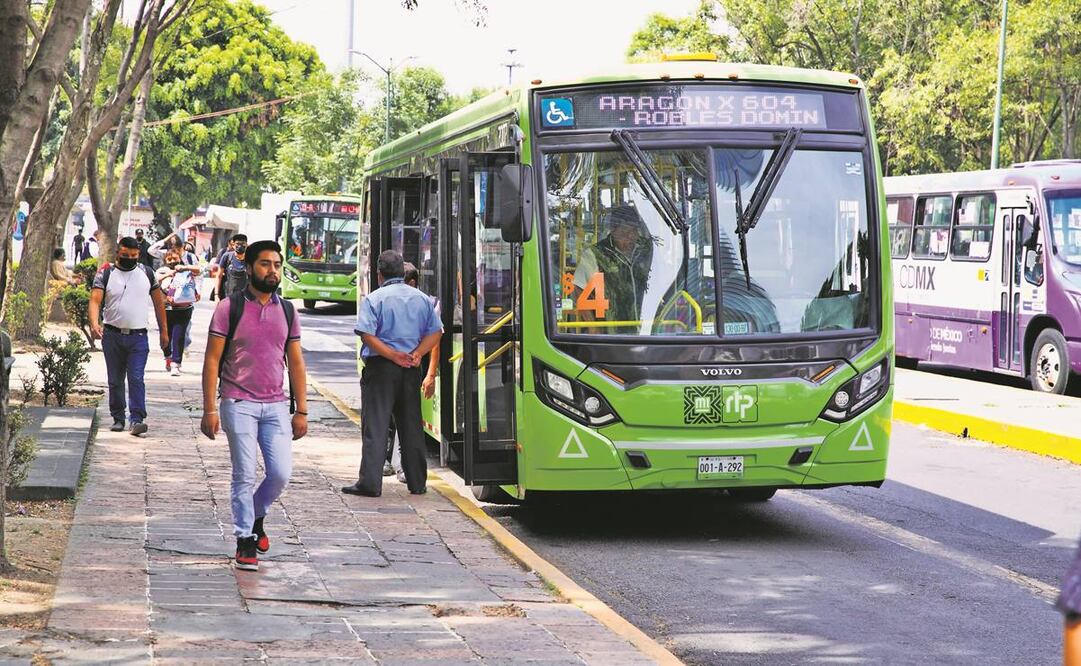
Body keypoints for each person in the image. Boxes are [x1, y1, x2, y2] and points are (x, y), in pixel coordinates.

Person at [200, 239, 308, 573]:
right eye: (265, 264)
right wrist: (209, 409)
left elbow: (297, 362)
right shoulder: (229, 308)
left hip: (276, 406)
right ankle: (245, 538)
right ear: (248, 268)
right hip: (238, 402)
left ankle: (257, 513)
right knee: (244, 474)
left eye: (276, 265)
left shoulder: (287, 311)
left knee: (280, 475)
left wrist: (301, 409)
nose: (272, 270)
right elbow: (212, 360)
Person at [342, 250, 441, 498]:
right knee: (411, 426)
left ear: (379, 274)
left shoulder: (375, 299)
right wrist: (418, 353)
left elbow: (366, 335)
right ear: (402, 273)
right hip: (411, 368)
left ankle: (370, 484)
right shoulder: (422, 299)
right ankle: (417, 483)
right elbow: (436, 332)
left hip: (381, 369)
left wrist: (391, 355)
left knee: (376, 425)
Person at [88, 236, 169, 435]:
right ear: (118, 253)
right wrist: (94, 323)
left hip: (138, 336)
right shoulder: (106, 273)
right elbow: (95, 300)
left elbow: (159, 304)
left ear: (138, 255)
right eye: (125, 255)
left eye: (133, 256)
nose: (129, 259)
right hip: (112, 335)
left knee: (136, 377)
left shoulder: (147, 273)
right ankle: (118, 417)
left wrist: (164, 332)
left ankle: (136, 419)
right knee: (115, 379)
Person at [383, 262, 440, 481]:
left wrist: (429, 373)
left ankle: (402, 466)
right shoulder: (387, 299)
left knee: (405, 416)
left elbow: (436, 338)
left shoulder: (427, 303)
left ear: (412, 283)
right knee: (388, 417)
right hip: (390, 364)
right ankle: (388, 462)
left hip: (412, 366)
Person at [572, 204, 654, 332]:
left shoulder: (648, 249)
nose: (629, 238)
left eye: (633, 232)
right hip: (612, 333)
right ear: (612, 230)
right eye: (624, 233)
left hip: (648, 330)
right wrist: (592, 326)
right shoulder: (595, 254)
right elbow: (578, 288)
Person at [157, 249, 201, 376]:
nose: (172, 261)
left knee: (179, 336)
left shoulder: (186, 270)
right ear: (165, 260)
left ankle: (176, 363)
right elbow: (155, 279)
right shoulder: (163, 270)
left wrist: (184, 268)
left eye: (175, 258)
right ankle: (167, 357)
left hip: (184, 309)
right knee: (166, 336)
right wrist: (169, 274)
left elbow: (199, 270)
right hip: (166, 309)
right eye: (169, 259)